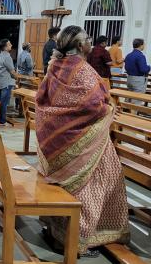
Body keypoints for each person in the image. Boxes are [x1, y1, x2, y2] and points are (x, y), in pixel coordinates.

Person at [35, 25, 130, 256]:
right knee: (90, 189)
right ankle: (77, 240)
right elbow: (91, 104)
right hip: (84, 142)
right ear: (80, 45)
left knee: (71, 189)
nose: (91, 43)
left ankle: (57, 232)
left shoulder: (55, 66)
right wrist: (108, 108)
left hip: (59, 143)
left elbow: (43, 97)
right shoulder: (81, 69)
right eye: (88, 39)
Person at [0, 39, 17, 126]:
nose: (11, 45)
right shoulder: (7, 57)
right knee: (4, 103)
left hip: (1, 82)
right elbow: (12, 71)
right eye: (9, 44)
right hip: (6, 83)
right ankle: (2, 121)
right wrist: (17, 78)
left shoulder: (0, 55)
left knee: (1, 102)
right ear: (5, 47)